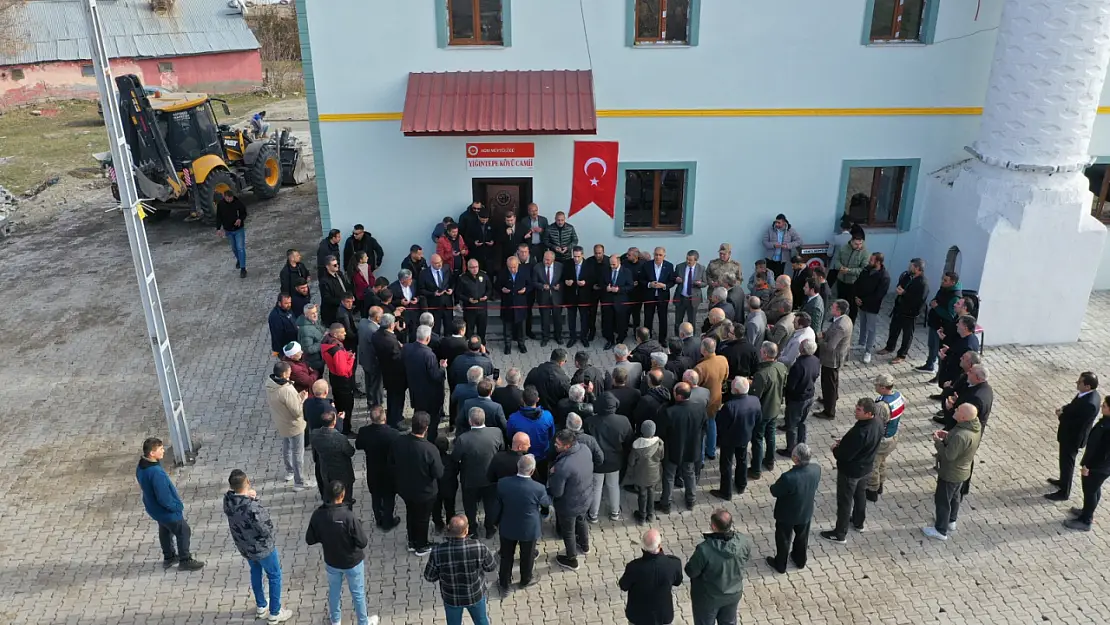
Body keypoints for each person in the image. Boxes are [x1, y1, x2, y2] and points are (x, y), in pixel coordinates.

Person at [305, 481, 378, 625]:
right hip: (352, 562)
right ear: (342, 495)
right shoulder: (348, 516)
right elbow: (362, 542)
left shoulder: (318, 515)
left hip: (332, 561)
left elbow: (310, 539)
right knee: (358, 593)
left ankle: (336, 620)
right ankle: (363, 622)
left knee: (334, 591)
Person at [223, 470, 291, 623]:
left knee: (255, 571)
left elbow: (239, 499)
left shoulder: (228, 501)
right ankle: (275, 612)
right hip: (262, 548)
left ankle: (261, 605)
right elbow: (265, 527)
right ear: (247, 482)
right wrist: (255, 500)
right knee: (274, 575)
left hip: (245, 546)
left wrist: (247, 496)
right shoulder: (252, 506)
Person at [819, 398, 884, 544]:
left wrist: (835, 449)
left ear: (868, 413)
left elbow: (844, 455)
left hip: (851, 472)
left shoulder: (861, 432)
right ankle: (858, 522)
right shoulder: (878, 422)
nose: (855, 410)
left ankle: (839, 534)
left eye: (859, 409)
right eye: (856, 407)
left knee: (845, 501)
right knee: (860, 495)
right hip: (866, 468)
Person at [136, 437, 204, 570]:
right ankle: (185, 559)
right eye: (160, 449)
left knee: (165, 529)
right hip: (165, 510)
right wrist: (176, 506)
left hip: (154, 508)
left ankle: (169, 557)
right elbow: (164, 497)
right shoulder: (156, 473)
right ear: (152, 453)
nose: (163, 451)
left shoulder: (141, 466)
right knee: (183, 531)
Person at [923, 403, 982, 541]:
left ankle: (940, 530)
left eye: (958, 410)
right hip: (962, 472)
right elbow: (960, 442)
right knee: (955, 497)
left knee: (943, 500)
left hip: (951, 473)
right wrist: (949, 436)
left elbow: (949, 455)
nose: (955, 410)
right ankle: (951, 521)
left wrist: (938, 442)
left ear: (963, 417)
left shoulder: (961, 435)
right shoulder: (973, 427)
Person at [493, 454, 551, 592]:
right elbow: (545, 503)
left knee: (506, 556)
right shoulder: (538, 488)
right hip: (529, 528)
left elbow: (498, 503)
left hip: (508, 524)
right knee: (528, 555)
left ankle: (504, 583)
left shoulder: (503, 483)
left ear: (517, 467)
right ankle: (525, 579)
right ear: (532, 471)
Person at [685, 509, 752, 625]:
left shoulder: (704, 549)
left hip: (708, 598)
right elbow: (746, 558)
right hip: (733, 594)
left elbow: (691, 571)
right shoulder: (742, 541)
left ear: (714, 527)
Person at [391, 412, 444, 555]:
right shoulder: (430, 449)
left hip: (405, 488)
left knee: (411, 514)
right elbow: (438, 473)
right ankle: (421, 545)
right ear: (426, 428)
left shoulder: (399, 441)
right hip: (424, 492)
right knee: (422, 518)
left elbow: (392, 462)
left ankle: (412, 541)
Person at [767, 443, 821, 574]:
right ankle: (799, 560)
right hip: (805, 511)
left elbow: (775, 491)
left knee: (784, 539)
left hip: (787, 514)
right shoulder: (816, 469)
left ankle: (780, 564)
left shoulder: (788, 477)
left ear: (796, 459)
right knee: (802, 537)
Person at [1047, 372, 1101, 501]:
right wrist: (1064, 408)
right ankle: (1062, 481)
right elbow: (1074, 406)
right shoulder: (1085, 395)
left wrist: (1061, 416)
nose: (1077, 383)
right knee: (1064, 461)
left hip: (1073, 438)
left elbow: (1076, 423)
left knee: (1068, 464)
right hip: (1069, 435)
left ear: (1087, 386)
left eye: (1080, 382)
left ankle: (1064, 492)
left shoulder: (1090, 404)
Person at [453, 408, 505, 538]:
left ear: (470, 421)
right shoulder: (496, 432)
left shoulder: (463, 439)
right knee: (491, 504)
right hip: (491, 478)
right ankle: (489, 528)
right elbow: (502, 450)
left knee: (470, 506)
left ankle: (473, 530)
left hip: (470, 479)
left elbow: (455, 458)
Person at [548, 430, 594, 571]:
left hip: (569, 505)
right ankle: (585, 546)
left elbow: (557, 491)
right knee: (581, 520)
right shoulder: (585, 449)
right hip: (585, 497)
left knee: (568, 532)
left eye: (558, 444)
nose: (555, 445)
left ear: (567, 446)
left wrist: (551, 476)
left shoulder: (563, 466)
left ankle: (572, 559)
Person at [585, 392, 634, 522]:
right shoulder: (623, 420)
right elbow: (629, 440)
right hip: (615, 460)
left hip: (597, 461)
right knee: (613, 486)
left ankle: (593, 514)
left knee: (596, 487)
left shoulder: (590, 421)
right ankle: (615, 512)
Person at [619, 528, 684, 625]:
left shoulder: (634, 567)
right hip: (663, 616)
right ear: (659, 545)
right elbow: (677, 582)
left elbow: (623, 586)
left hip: (638, 617)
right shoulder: (674, 564)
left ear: (643, 547)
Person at [659, 383, 706, 513]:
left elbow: (662, 432)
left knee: (669, 476)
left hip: (673, 449)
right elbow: (704, 426)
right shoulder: (700, 408)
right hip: (692, 448)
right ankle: (691, 500)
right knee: (689, 473)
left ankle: (666, 503)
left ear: (678, 396)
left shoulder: (669, 412)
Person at [1065, 395, 1110, 531]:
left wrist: (1088, 466)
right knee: (1094, 489)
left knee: (1090, 491)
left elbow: (1101, 451)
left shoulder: (1107, 427)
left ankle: (1086, 520)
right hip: (1102, 466)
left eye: (1105, 406)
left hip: (1098, 466)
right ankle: (1087, 511)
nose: (1102, 407)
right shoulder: (1106, 421)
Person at [712, 377, 760, 500]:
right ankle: (741, 484)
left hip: (729, 440)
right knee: (742, 460)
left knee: (726, 464)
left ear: (737, 391)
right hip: (745, 436)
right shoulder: (755, 400)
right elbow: (758, 419)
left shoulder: (729, 406)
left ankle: (726, 491)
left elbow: (720, 424)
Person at [265, 361, 311, 491]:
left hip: (281, 421)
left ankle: (289, 471)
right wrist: (302, 399)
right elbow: (296, 412)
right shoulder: (286, 390)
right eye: (289, 372)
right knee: (298, 453)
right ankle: (299, 481)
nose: (291, 374)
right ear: (285, 374)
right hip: (294, 425)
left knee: (286, 447)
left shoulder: (270, 384)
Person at [354, 406, 401, 530]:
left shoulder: (364, 431)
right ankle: (388, 520)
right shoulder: (394, 434)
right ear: (384, 418)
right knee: (389, 497)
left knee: (376, 496)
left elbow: (358, 445)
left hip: (373, 470)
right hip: (389, 471)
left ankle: (379, 519)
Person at [403, 325, 447, 443]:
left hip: (415, 391)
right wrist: (442, 368)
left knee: (418, 417)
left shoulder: (407, 348)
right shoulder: (429, 355)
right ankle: (431, 440)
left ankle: (416, 436)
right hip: (430, 395)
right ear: (428, 338)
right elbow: (435, 376)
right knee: (433, 420)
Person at [879, 258, 928, 364]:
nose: (909, 268)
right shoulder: (908, 276)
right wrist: (899, 289)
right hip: (899, 309)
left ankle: (902, 355)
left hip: (910, 313)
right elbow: (900, 284)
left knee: (907, 335)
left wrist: (904, 293)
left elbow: (919, 300)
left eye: (911, 266)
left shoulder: (923, 283)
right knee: (893, 329)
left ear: (917, 268)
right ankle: (889, 347)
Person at [750, 342, 787, 476]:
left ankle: (756, 469)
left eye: (762, 350)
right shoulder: (781, 367)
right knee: (770, 436)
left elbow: (755, 397)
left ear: (765, 354)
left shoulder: (762, 374)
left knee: (758, 439)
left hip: (763, 411)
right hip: (775, 408)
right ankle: (770, 461)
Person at [866, 374, 905, 501]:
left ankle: (872, 490)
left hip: (882, 440)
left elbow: (875, 424)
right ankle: (880, 484)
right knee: (882, 461)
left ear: (883, 388)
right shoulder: (898, 396)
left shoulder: (881, 406)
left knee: (873, 465)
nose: (875, 386)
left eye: (877, 385)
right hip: (893, 436)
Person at [507, 388, 557, 484]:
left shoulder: (513, 418)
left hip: (522, 457)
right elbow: (551, 434)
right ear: (538, 399)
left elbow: (510, 436)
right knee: (542, 479)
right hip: (542, 455)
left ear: (522, 400)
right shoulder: (547, 416)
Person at [814, 300, 853, 420]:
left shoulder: (841, 326)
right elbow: (832, 333)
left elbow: (831, 347)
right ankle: (831, 398)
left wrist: (820, 340)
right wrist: (825, 334)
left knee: (828, 384)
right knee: (833, 381)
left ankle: (829, 411)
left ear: (839, 311)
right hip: (837, 357)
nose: (831, 307)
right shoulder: (844, 319)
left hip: (832, 359)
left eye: (833, 307)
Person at [919, 271, 963, 374]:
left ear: (953, 282)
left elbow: (950, 315)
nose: (942, 282)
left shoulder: (954, 297)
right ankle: (929, 364)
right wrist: (932, 303)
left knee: (939, 349)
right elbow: (937, 299)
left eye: (945, 280)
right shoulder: (944, 289)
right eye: (943, 279)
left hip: (942, 327)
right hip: (934, 322)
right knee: (931, 345)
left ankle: (939, 373)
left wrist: (937, 307)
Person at [781, 338, 820, 456]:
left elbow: (791, 385)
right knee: (802, 422)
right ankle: (802, 444)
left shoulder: (798, 365)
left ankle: (791, 449)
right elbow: (816, 375)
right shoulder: (816, 360)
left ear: (802, 349)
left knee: (791, 424)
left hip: (797, 399)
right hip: (810, 395)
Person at [695, 337, 729, 459]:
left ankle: (701, 458)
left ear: (704, 350)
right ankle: (711, 451)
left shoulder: (700, 367)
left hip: (704, 403)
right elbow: (725, 376)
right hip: (717, 398)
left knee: (701, 431)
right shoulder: (723, 360)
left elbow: (695, 385)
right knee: (712, 423)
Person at [313, 409, 356, 506]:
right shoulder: (340, 438)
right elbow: (350, 452)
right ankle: (346, 515)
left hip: (326, 471)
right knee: (346, 496)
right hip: (342, 472)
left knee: (330, 493)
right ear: (334, 422)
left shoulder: (314, 434)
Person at [853, 252, 889, 363]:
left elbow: (879, 294)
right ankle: (861, 343)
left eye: (872, 260)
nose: (869, 261)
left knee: (871, 328)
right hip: (861, 303)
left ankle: (868, 351)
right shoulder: (866, 269)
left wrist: (863, 300)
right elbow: (857, 283)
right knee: (862, 324)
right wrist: (856, 297)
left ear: (878, 262)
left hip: (872, 306)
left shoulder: (884, 276)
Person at [372, 313, 407, 428]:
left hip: (386, 371)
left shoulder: (377, 334)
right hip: (396, 375)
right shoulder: (391, 341)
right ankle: (395, 421)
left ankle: (392, 416)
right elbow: (398, 358)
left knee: (392, 397)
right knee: (397, 398)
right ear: (391, 325)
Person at [322, 323, 357, 435]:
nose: (345, 333)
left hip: (334, 377)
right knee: (346, 405)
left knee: (339, 403)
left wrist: (345, 355)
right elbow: (342, 370)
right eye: (342, 332)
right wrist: (351, 359)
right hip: (343, 381)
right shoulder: (336, 349)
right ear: (335, 334)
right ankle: (346, 429)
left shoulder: (326, 343)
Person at [498, 255, 532, 354]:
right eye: (510, 267)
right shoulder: (503, 273)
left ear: (518, 265)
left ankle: (521, 344)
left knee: (521, 327)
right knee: (507, 326)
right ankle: (507, 345)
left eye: (514, 267)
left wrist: (526, 289)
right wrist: (502, 289)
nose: (512, 269)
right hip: (507, 303)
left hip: (520, 303)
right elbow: (497, 285)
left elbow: (530, 284)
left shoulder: (524, 272)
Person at [640, 247, 675, 342]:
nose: (658, 257)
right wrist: (649, 284)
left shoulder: (669, 266)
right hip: (649, 296)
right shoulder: (647, 265)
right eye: (656, 254)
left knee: (663, 318)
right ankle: (647, 338)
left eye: (660, 255)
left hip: (663, 296)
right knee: (648, 318)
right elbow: (641, 280)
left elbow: (672, 281)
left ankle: (662, 339)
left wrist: (664, 286)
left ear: (664, 256)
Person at [601, 254, 634, 349]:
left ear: (619, 262)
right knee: (608, 322)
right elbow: (601, 283)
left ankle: (620, 340)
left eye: (614, 264)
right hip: (608, 301)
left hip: (621, 302)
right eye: (610, 264)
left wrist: (619, 289)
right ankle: (610, 340)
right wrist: (606, 288)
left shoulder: (626, 272)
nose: (612, 266)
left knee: (621, 322)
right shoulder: (606, 270)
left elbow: (630, 286)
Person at [831, 232, 867, 321]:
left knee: (852, 305)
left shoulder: (864, 253)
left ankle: (850, 322)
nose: (858, 246)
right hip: (841, 280)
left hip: (853, 283)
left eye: (860, 243)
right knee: (840, 302)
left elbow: (863, 269)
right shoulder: (844, 248)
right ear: (851, 241)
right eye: (856, 244)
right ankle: (837, 319)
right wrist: (840, 267)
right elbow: (837, 260)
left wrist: (849, 271)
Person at [562, 246, 593, 348]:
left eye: (578, 256)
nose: (576, 259)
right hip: (571, 296)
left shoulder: (588, 265)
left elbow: (593, 279)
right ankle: (572, 337)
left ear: (582, 255)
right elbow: (562, 278)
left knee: (584, 318)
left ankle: (583, 337)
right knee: (571, 318)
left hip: (584, 297)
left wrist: (586, 282)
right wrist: (566, 281)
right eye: (574, 256)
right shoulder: (567, 264)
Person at [533, 250, 564, 346]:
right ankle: (545, 337)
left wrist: (560, 286)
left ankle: (558, 336)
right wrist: (542, 286)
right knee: (545, 319)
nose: (546, 261)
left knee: (557, 319)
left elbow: (564, 280)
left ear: (553, 260)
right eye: (544, 259)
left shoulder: (560, 267)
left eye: (548, 260)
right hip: (543, 297)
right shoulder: (537, 267)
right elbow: (534, 282)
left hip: (556, 297)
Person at [420, 253, 455, 338]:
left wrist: (452, 289)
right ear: (431, 263)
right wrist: (433, 293)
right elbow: (421, 289)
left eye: (440, 262)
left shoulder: (446, 268)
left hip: (447, 304)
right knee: (435, 329)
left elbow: (452, 282)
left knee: (449, 328)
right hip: (434, 305)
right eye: (436, 263)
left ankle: (448, 345)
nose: (439, 264)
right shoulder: (424, 273)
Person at [672, 250, 707, 336]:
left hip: (693, 299)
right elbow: (673, 278)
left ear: (696, 260)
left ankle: (691, 338)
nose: (688, 261)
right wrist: (676, 279)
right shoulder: (680, 266)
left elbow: (705, 283)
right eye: (687, 259)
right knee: (678, 320)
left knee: (692, 320)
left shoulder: (701, 268)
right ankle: (677, 337)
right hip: (681, 297)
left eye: (690, 260)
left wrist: (699, 284)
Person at [458, 259, 492, 344]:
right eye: (472, 267)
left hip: (482, 308)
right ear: (468, 268)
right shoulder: (463, 278)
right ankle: (469, 348)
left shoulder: (484, 275)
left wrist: (486, 296)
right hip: (469, 309)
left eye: (476, 267)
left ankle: (482, 346)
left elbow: (489, 289)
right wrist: (468, 299)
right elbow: (458, 293)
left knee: (482, 330)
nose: (475, 269)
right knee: (469, 331)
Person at [215, 189, 248, 278]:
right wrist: (218, 228)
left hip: (238, 230)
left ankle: (243, 268)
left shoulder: (238, 203)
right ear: (224, 197)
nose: (229, 200)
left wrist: (240, 219)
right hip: (228, 230)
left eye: (231, 198)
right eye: (228, 199)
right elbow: (219, 217)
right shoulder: (221, 205)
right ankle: (239, 260)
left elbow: (244, 213)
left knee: (240, 248)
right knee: (234, 248)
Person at [357, 306, 383, 408]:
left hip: (364, 359)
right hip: (373, 362)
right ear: (377, 318)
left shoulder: (363, 322)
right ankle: (377, 406)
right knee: (377, 385)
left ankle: (370, 401)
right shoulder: (374, 331)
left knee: (368, 382)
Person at [584, 244, 609, 342]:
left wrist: (604, 286)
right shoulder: (589, 261)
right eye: (596, 253)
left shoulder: (608, 261)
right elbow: (586, 275)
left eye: (600, 253)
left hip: (605, 291)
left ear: (603, 252)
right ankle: (592, 331)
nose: (598, 255)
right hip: (592, 290)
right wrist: (591, 285)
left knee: (605, 312)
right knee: (592, 312)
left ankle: (605, 331)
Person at [319, 255, 352, 327]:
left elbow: (345, 286)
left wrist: (350, 296)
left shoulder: (339, 273)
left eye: (337, 264)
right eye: (334, 265)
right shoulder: (324, 281)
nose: (337, 266)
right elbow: (327, 298)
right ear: (328, 267)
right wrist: (342, 301)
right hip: (333, 313)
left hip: (343, 307)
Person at [298, 304, 327, 375]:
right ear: (306, 315)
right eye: (312, 313)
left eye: (316, 312)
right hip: (314, 361)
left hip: (318, 358)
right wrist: (323, 341)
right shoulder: (306, 331)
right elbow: (308, 349)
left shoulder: (312, 321)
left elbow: (319, 328)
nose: (315, 315)